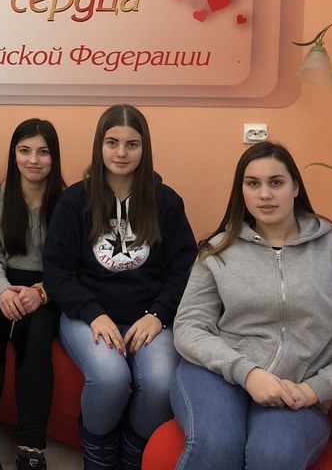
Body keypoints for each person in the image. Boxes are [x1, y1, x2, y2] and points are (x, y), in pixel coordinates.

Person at [171, 141, 332, 469]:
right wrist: (248, 373)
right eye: (253, 183)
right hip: (217, 374)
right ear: (242, 191)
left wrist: (313, 390)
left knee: (274, 456)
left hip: (296, 390)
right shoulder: (218, 250)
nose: (265, 194)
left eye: (276, 182)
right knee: (217, 445)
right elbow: (188, 327)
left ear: (295, 187)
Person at [42, 104, 196, 470]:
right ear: (99, 145)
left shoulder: (167, 202)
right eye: (112, 143)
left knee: (160, 382)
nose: (121, 153)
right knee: (110, 378)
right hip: (88, 316)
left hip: (150, 317)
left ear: (145, 148)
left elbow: (184, 269)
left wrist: (159, 314)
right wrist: (93, 314)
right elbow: (57, 271)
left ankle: (131, 456)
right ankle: (99, 458)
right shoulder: (75, 200)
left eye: (132, 144)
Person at [0, 119, 65, 470]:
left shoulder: (68, 202)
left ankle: (31, 448)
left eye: (43, 152)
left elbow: (70, 266)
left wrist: (42, 293)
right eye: (25, 151)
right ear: (13, 154)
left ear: (54, 157)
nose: (33, 160)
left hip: (48, 286)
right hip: (0, 279)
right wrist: (3, 291)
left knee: (36, 337)